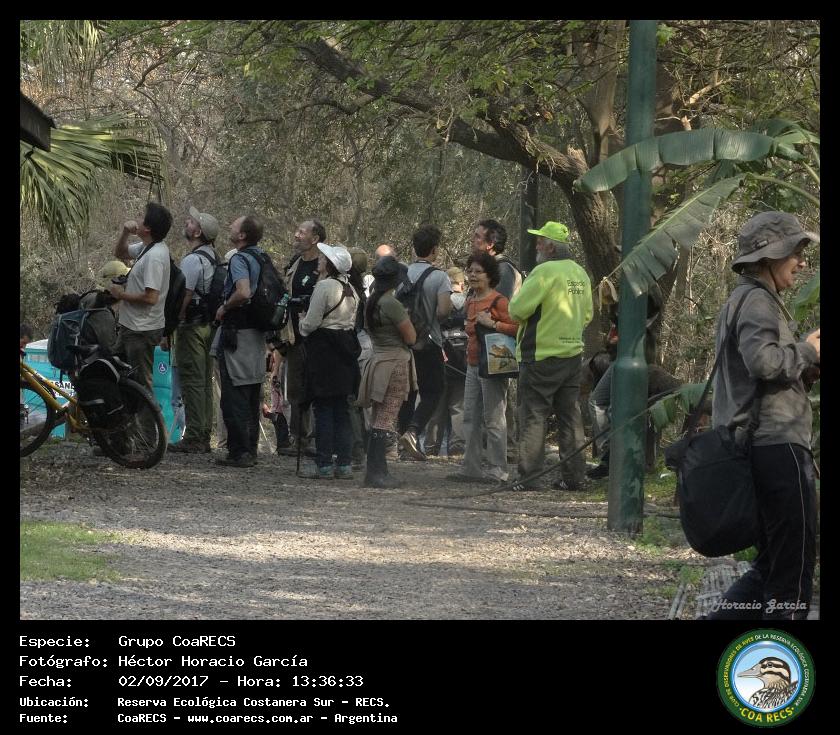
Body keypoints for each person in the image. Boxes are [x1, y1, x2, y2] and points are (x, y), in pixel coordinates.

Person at [707, 211, 820, 620]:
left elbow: (761, 372)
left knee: (772, 563)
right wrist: (808, 350)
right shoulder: (757, 301)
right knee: (792, 565)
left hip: (762, 445)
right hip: (777, 446)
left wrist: (807, 366)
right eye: (795, 253)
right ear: (770, 257)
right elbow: (763, 362)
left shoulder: (746, 299)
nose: (801, 263)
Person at [508, 221, 592, 491]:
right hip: (572, 356)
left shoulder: (544, 272)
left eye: (541, 242)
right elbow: (588, 315)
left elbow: (517, 310)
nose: (537, 246)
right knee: (570, 416)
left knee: (534, 415)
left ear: (551, 248)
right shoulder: (580, 273)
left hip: (540, 356)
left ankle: (529, 478)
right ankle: (574, 477)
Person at [447, 252, 518, 483]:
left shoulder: (499, 301)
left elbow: (517, 328)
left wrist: (493, 324)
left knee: (494, 419)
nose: (473, 275)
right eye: (470, 271)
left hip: (494, 368)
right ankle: (471, 467)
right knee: (470, 417)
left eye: (478, 271)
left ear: (490, 276)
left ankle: (498, 469)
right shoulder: (470, 301)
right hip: (472, 366)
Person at [297, 244, 361, 479]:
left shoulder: (324, 287)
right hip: (345, 350)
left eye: (324, 258)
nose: (320, 260)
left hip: (323, 351)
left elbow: (311, 324)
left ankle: (324, 464)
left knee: (323, 408)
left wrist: (301, 320)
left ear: (330, 264)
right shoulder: (351, 289)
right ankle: (344, 464)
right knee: (342, 409)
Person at [211, 215, 270, 468]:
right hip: (257, 333)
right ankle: (250, 449)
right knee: (252, 392)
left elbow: (243, 292)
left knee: (234, 393)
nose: (230, 227)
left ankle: (239, 452)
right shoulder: (262, 257)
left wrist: (224, 307)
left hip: (238, 333)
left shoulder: (238, 259)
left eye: (234, 226)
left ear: (242, 235)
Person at [357, 256, 418, 487]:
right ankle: (377, 472)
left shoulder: (372, 301)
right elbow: (411, 337)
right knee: (386, 417)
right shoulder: (391, 303)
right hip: (395, 363)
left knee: (378, 416)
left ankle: (375, 470)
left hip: (378, 361)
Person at [397, 225, 452, 460]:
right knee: (434, 390)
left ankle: (403, 445)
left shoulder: (402, 275)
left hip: (404, 342)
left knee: (407, 393)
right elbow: (444, 311)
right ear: (434, 250)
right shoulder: (440, 277)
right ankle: (413, 431)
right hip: (430, 342)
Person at [169, 206, 220, 453]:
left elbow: (186, 294)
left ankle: (194, 436)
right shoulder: (214, 257)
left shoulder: (192, 260)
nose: (187, 223)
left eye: (192, 222)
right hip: (208, 325)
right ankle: (203, 431)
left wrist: (175, 320)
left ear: (198, 232)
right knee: (205, 382)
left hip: (191, 327)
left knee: (191, 380)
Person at [472, 218, 523, 462]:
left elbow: (497, 305)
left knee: (498, 405)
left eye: (477, 237)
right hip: (486, 342)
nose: (473, 241)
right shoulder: (491, 268)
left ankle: (506, 452)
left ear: (491, 244)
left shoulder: (503, 270)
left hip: (500, 342)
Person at [108, 202, 172, 391]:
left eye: (142, 217)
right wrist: (125, 233)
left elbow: (151, 297)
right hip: (131, 326)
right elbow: (120, 252)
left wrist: (121, 295)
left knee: (141, 383)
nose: (138, 218)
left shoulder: (155, 257)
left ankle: (148, 411)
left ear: (147, 228)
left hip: (141, 330)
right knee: (116, 372)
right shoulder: (147, 247)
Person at [277, 219, 326, 457]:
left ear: (315, 239)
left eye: (302, 232)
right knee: (296, 387)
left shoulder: (324, 265)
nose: (296, 235)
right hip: (294, 335)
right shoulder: (295, 263)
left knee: (318, 386)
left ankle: (321, 439)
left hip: (319, 337)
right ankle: (299, 437)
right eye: (296, 231)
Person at [424, 266, 467, 457]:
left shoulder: (440, 303)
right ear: (462, 284)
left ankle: (431, 447)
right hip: (463, 362)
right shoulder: (469, 302)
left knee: (437, 407)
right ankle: (457, 446)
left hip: (441, 360)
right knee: (459, 407)